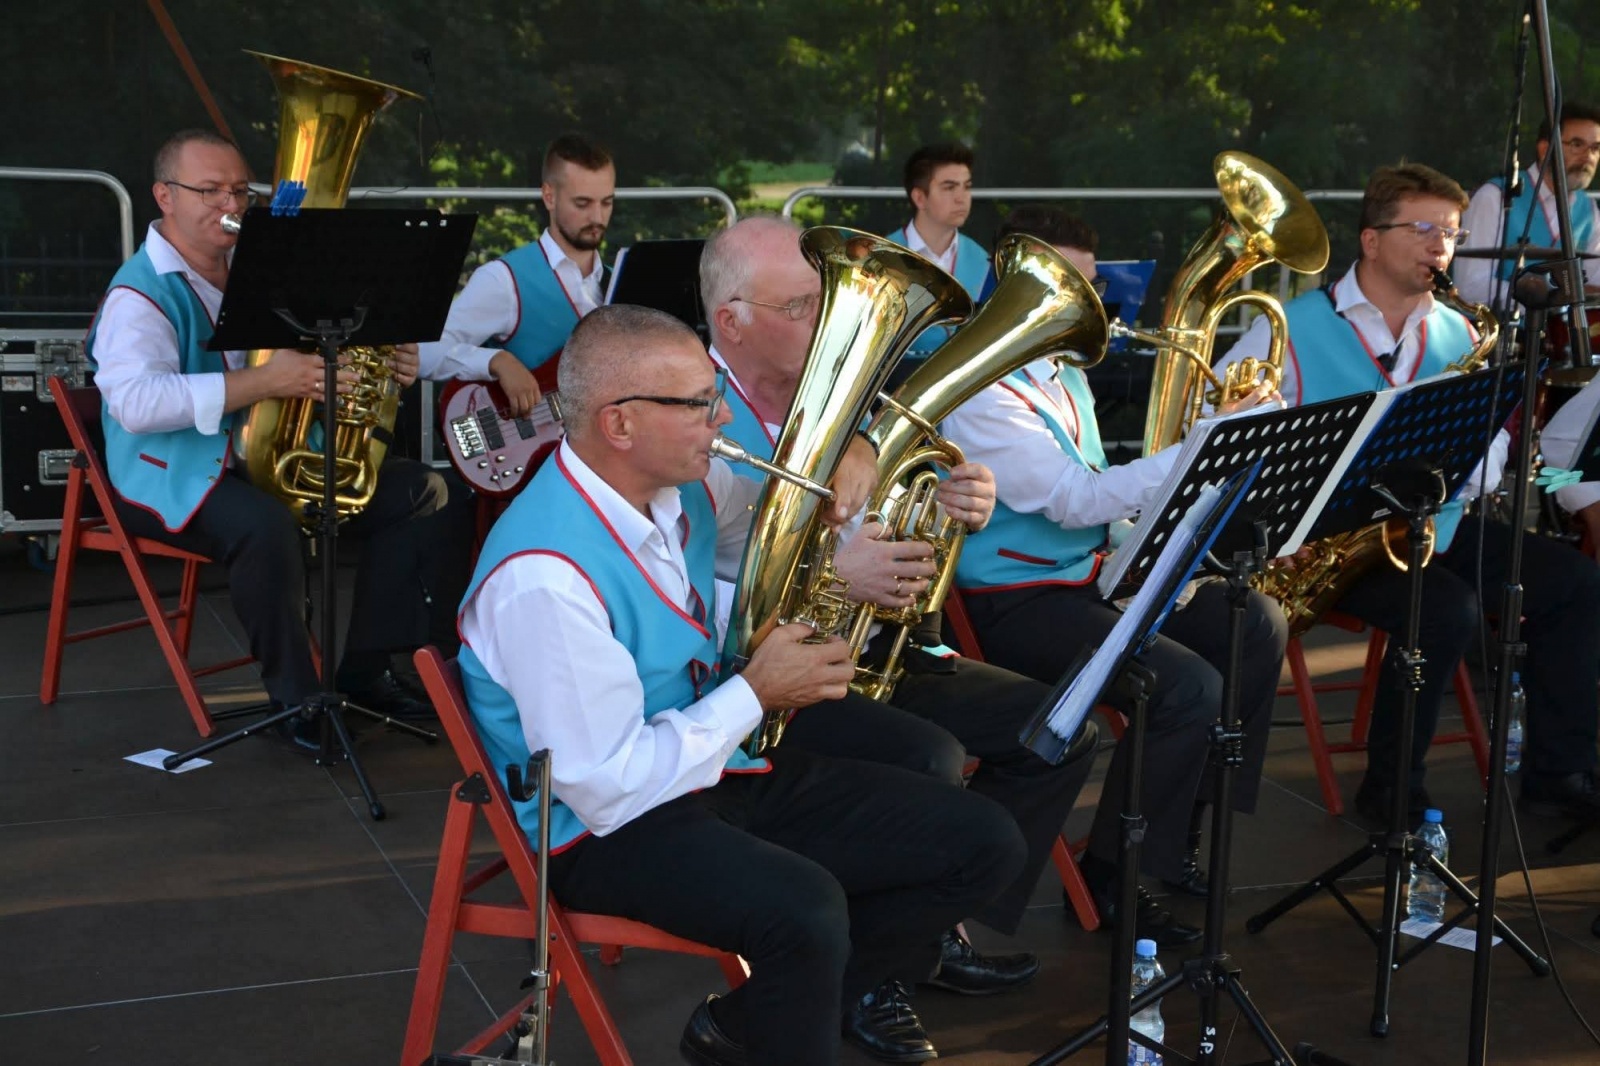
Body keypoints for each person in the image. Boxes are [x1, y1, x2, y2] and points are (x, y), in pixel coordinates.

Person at [456, 304, 1026, 1066]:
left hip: (700, 763)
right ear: (619, 424)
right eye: (699, 403)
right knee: (806, 909)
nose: (722, 416)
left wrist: (868, 485)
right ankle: (787, 1018)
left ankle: (752, 1021)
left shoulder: (684, 484)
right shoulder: (543, 579)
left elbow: (790, 528)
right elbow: (606, 787)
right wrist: (755, 693)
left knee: (984, 842)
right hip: (599, 828)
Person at [701, 215, 1100, 959]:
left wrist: (957, 506)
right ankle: (891, 955)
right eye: (803, 308)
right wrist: (833, 573)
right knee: (928, 760)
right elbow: (688, 590)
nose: (827, 323)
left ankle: (931, 931)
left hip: (872, 653)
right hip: (766, 681)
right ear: (733, 321)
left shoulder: (843, 397)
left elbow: (897, 497)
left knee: (1062, 726)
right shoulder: (697, 422)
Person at [939, 204, 1289, 944]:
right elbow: (1073, 499)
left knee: (1254, 623)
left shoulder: (1061, 370)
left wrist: (1154, 541)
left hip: (1083, 576)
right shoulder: (984, 388)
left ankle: (1177, 828)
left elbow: (1100, 496)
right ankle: (1112, 877)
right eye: (1072, 289)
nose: (1093, 307)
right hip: (1011, 599)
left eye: (1091, 289)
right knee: (1186, 686)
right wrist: (1205, 444)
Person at [1217, 162, 1600, 822]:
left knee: (1573, 581)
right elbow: (1229, 437)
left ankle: (1557, 768)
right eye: (1423, 228)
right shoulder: (1289, 327)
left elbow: (1493, 434)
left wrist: (1480, 462)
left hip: (1433, 526)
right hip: (1327, 542)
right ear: (1370, 239)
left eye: (1450, 233)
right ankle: (1394, 790)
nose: (1440, 246)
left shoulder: (1458, 330)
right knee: (1445, 609)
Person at [86, 128, 471, 730]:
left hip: (266, 460)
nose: (231, 206)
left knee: (428, 492)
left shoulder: (266, 269)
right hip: (169, 475)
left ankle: (365, 674)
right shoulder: (138, 294)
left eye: (240, 191)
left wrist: (367, 362)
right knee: (265, 527)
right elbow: (136, 403)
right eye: (209, 191)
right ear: (165, 196)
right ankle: (296, 704)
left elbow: (321, 351)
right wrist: (269, 383)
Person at [417, 133, 616, 417]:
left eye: (606, 202)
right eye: (582, 204)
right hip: (534, 453)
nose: (597, 217)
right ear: (549, 196)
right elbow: (425, 350)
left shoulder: (619, 283)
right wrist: (496, 360)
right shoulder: (502, 279)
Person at [1455, 101, 1600, 312]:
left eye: (1595, 148)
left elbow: (1595, 281)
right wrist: (1543, 299)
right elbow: (1469, 285)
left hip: (1562, 341)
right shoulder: (1496, 197)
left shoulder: (1589, 210)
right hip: (1504, 338)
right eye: (1577, 144)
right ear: (1544, 149)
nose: (1588, 157)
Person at [886, 143, 987, 365]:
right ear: (920, 198)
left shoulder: (984, 262)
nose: (962, 198)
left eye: (966, 187)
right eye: (949, 188)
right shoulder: (883, 258)